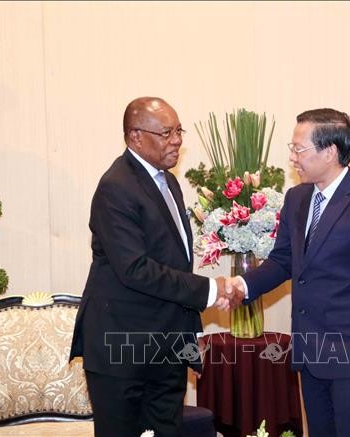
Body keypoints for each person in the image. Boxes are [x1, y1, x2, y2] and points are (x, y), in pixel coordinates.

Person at [227, 108, 350, 437]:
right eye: (292, 147)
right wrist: (242, 285)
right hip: (311, 355)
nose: (292, 157)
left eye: (299, 149)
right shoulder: (297, 199)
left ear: (330, 152)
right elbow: (284, 261)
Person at [70, 97, 242, 437]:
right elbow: (135, 269)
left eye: (178, 130)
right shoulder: (115, 187)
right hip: (123, 350)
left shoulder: (167, 181)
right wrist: (211, 290)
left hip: (167, 348)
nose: (177, 139)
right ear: (136, 136)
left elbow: (170, 262)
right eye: (166, 132)